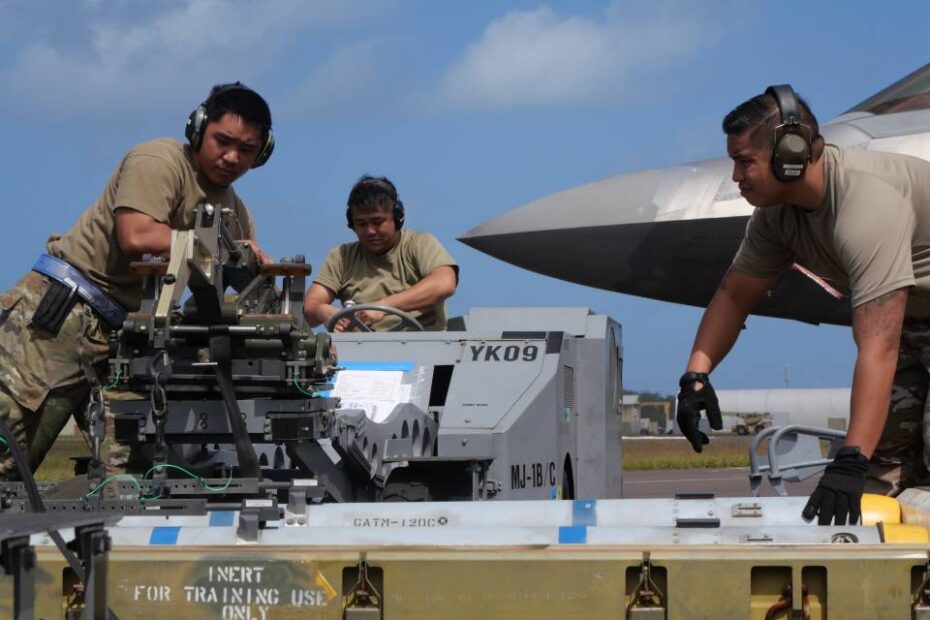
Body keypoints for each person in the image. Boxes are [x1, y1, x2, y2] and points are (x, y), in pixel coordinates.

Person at [675, 84, 930, 526]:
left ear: (788, 156)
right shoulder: (776, 217)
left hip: (897, 328)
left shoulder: (866, 204)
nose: (735, 177)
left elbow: (878, 347)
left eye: (744, 162)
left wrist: (849, 458)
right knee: (879, 476)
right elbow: (735, 294)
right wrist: (696, 376)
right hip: (913, 319)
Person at [0, 82, 274, 479]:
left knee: (137, 474)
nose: (232, 157)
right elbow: (138, 237)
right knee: (11, 457)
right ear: (198, 129)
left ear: (260, 154)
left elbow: (229, 286)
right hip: (61, 319)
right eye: (223, 141)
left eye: (246, 150)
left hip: (127, 339)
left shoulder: (235, 211)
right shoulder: (158, 160)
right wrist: (223, 247)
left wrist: (253, 269)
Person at [304, 175, 458, 331]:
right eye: (361, 224)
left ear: (397, 218)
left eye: (378, 222)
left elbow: (445, 283)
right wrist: (321, 311)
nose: (370, 231)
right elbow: (309, 308)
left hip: (424, 350)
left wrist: (382, 307)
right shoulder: (341, 257)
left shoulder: (419, 244)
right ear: (352, 224)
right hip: (359, 352)